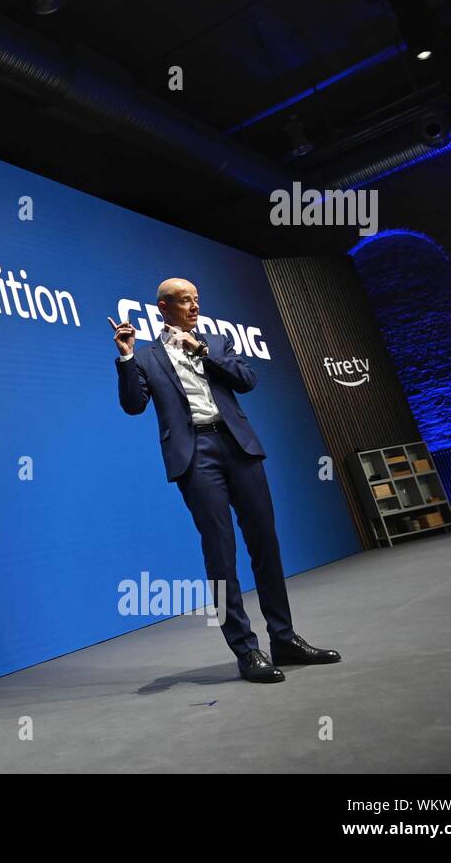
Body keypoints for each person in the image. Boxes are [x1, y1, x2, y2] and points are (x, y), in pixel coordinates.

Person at [108, 278, 341, 683]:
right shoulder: (146, 357)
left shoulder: (215, 342)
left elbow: (247, 380)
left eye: (197, 299)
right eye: (185, 301)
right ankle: (247, 651)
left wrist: (201, 352)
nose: (194, 306)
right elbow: (133, 406)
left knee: (265, 544)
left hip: (240, 448)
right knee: (220, 554)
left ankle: (283, 639)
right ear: (163, 307)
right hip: (196, 455)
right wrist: (126, 358)